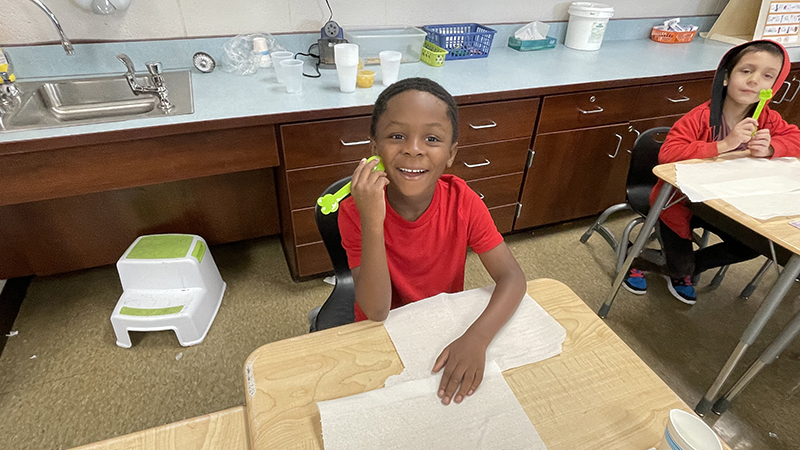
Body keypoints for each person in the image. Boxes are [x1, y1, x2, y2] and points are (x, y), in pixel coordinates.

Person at [338, 77, 527, 406]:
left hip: (440, 326)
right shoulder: (355, 211)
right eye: (397, 135)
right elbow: (376, 310)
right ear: (374, 149)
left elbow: (512, 277)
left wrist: (478, 337)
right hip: (379, 332)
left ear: (451, 153)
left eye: (432, 138)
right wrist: (372, 219)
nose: (413, 148)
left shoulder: (462, 201)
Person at [623, 39, 800, 304]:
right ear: (727, 77)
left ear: (773, 88)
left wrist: (772, 147)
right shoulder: (699, 117)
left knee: (750, 245)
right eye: (746, 71)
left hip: (726, 203)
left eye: (767, 76)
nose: (754, 81)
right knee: (680, 266)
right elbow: (668, 154)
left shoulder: (767, 119)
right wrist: (723, 145)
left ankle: (685, 267)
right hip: (677, 202)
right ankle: (640, 258)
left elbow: (795, 139)